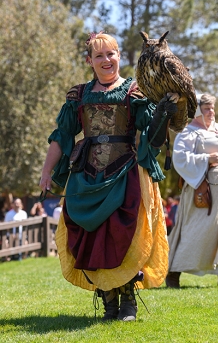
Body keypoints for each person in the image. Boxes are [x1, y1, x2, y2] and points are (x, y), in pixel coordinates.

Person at [40, 31, 178, 321]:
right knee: (91, 237)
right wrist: (46, 170)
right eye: (99, 55)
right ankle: (109, 301)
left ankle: (128, 302)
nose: (106, 60)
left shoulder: (135, 92)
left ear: (118, 56)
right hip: (85, 176)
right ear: (90, 60)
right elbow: (62, 135)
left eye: (111, 53)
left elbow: (152, 138)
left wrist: (162, 115)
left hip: (125, 173)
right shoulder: (78, 95)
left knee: (124, 236)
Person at [166, 93, 218, 288]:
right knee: (196, 230)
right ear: (196, 111)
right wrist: (206, 159)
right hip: (204, 188)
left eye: (212, 108)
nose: (211, 112)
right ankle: (173, 273)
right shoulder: (188, 133)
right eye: (206, 108)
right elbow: (180, 159)